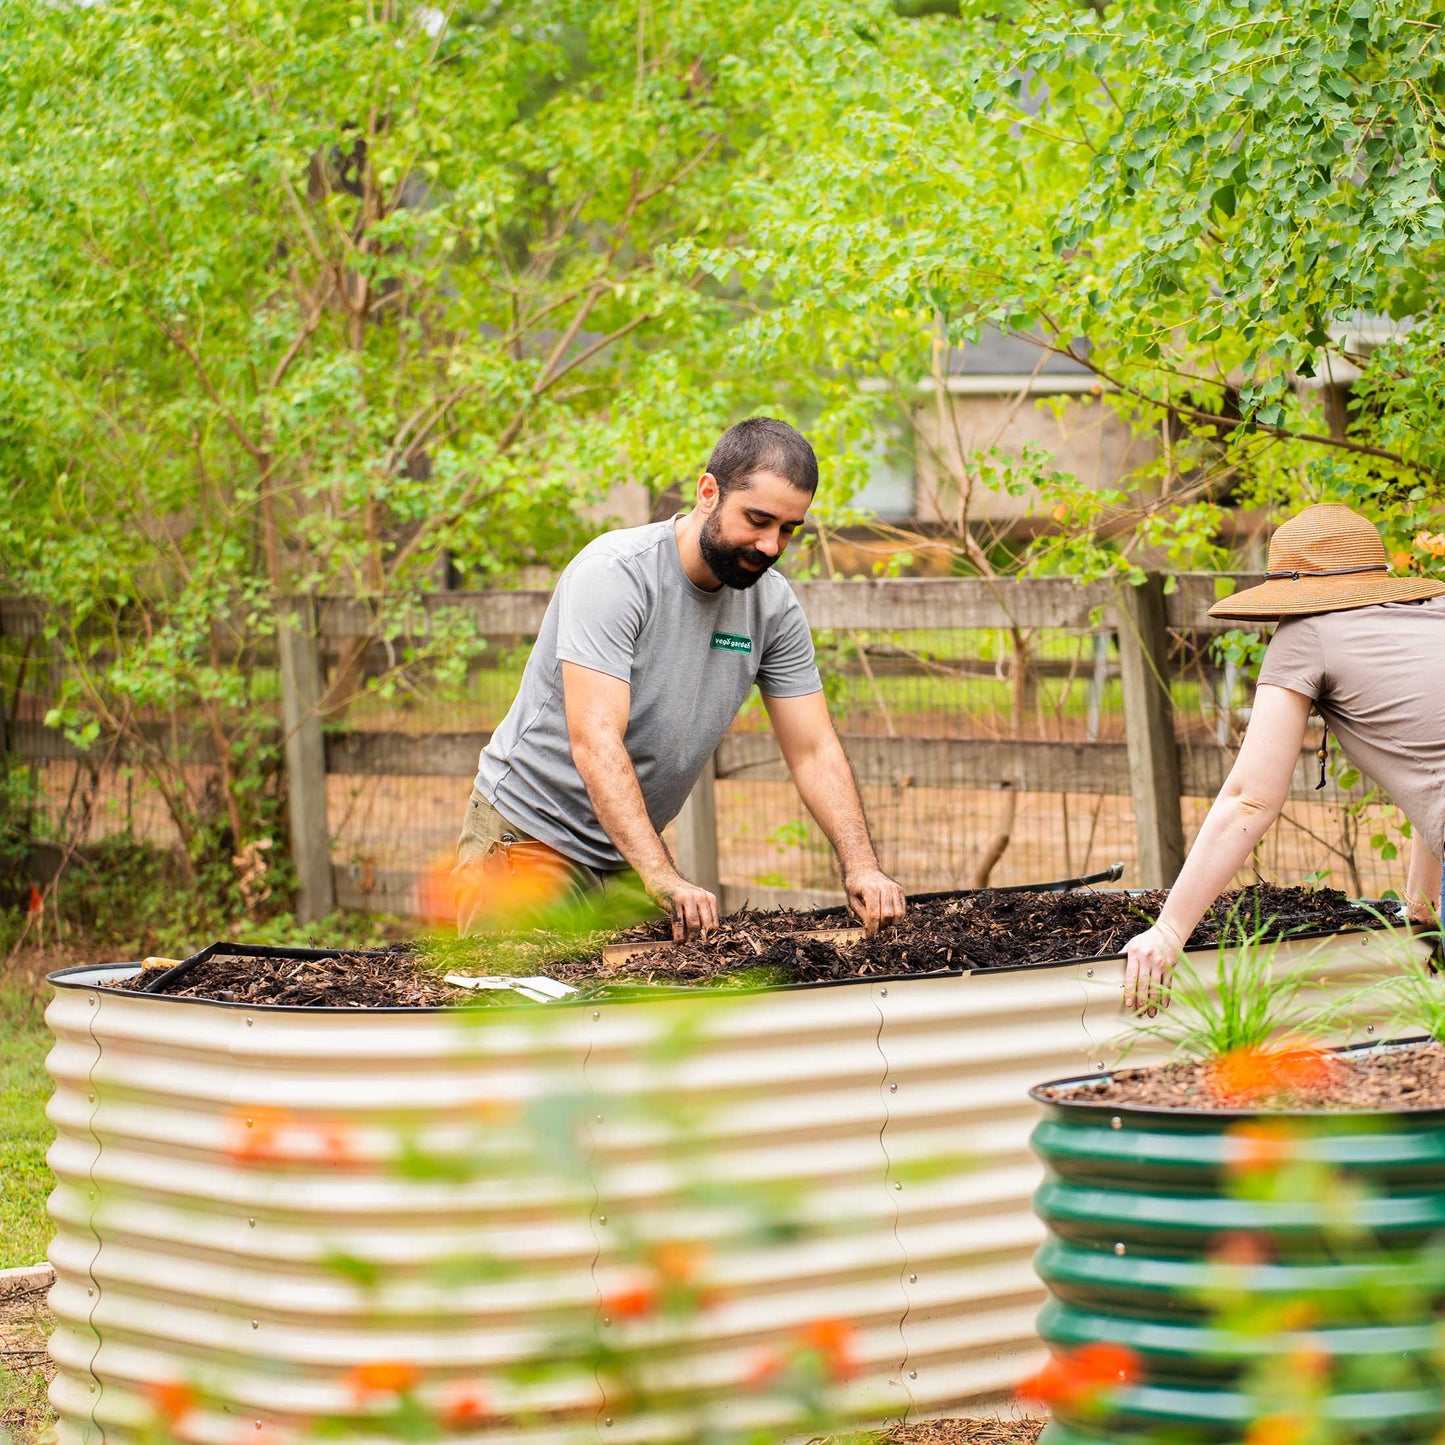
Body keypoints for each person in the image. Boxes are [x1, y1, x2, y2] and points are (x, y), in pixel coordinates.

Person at [455, 416, 908, 941]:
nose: (771, 546)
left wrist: (862, 866)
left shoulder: (772, 606)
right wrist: (662, 875)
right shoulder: (616, 573)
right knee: (521, 1009)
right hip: (530, 838)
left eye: (787, 529)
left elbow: (813, 749)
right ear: (708, 492)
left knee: (640, 1015)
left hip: (625, 856)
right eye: (758, 520)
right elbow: (596, 741)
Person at [1123, 502, 1445, 1014]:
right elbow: (1433, 762)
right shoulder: (1434, 615)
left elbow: (1250, 799)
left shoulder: (1308, 632)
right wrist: (1423, 908)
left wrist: (1168, 929)